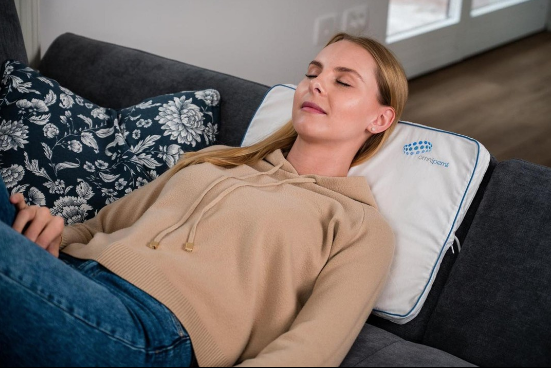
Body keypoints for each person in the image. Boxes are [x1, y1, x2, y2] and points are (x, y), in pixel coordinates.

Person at [0, 32, 408, 367]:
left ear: (380, 119)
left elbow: (314, 348)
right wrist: (51, 231)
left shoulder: (360, 226)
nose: (315, 83)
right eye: (312, 73)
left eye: (343, 80)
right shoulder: (216, 161)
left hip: (150, 327)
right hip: (73, 271)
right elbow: (97, 226)